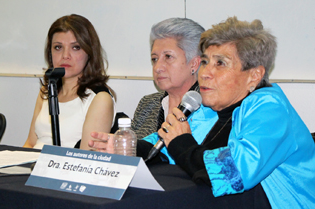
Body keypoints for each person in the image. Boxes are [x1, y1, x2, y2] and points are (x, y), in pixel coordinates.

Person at [90, 17, 315, 208]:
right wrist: (127, 148)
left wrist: (182, 144)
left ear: (254, 75)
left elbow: (233, 174)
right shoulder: (209, 110)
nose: (205, 73)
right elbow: (163, 143)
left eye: (220, 64)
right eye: (205, 62)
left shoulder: (270, 109)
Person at [23, 14, 115, 150]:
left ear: (89, 53)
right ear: (50, 53)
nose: (65, 55)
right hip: (32, 166)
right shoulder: (47, 90)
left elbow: (85, 159)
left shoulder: (100, 98)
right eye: (58, 47)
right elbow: (30, 144)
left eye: (76, 47)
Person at [132, 18, 203, 139]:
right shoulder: (147, 104)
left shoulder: (208, 107)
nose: (158, 67)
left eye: (168, 57)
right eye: (154, 59)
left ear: (194, 64)